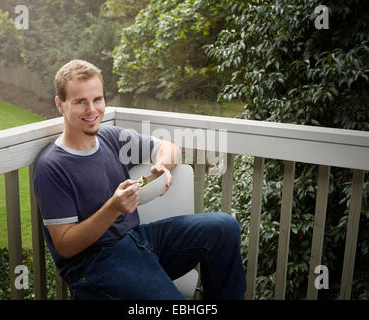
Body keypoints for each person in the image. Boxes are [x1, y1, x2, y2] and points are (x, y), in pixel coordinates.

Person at [33, 59, 246, 300]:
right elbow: (65, 245)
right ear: (60, 105)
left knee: (224, 227)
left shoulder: (111, 138)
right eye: (80, 101)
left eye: (97, 99)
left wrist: (163, 166)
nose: (92, 110)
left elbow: (168, 147)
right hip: (94, 265)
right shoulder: (51, 166)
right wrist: (113, 208)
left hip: (138, 241)